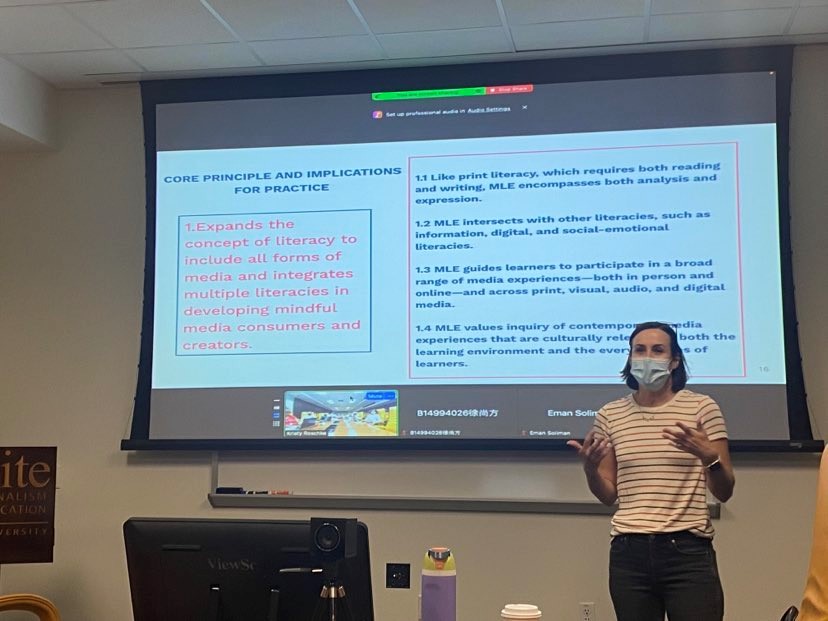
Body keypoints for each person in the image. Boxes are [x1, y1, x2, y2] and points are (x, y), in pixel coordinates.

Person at [568, 321, 735, 621]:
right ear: (630, 358)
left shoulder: (702, 408)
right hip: (628, 553)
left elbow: (724, 490)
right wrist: (590, 470)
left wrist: (710, 457)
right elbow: (608, 495)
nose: (647, 357)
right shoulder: (610, 414)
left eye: (658, 350)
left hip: (687, 552)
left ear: (674, 361)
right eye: (639, 350)